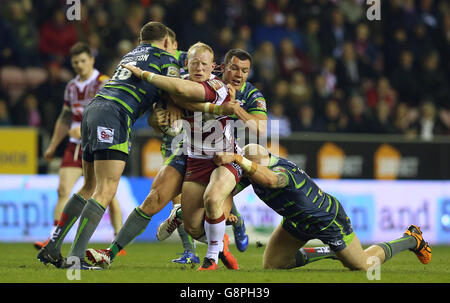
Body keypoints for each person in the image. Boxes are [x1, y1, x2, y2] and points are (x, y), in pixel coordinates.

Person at [37, 21, 182, 270]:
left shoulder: (130, 55)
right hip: (116, 114)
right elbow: (175, 95)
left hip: (94, 109)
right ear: (167, 42)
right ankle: (76, 257)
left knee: (89, 185)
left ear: (140, 41)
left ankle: (53, 246)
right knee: (107, 187)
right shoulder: (167, 61)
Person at [86, 43, 243, 271]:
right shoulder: (175, 84)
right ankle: (109, 254)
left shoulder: (216, 87)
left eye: (204, 64)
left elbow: (187, 98)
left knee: (197, 225)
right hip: (189, 153)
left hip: (219, 158)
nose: (199, 68)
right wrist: (160, 116)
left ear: (213, 67)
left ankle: (215, 244)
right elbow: (157, 120)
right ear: (186, 64)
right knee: (154, 199)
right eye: (194, 63)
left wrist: (150, 78)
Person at [213, 144, 432, 271]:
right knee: (273, 264)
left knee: (363, 265)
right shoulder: (254, 173)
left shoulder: (282, 173)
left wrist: (238, 159)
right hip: (297, 221)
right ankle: (328, 251)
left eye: (247, 167)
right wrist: (228, 211)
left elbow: (271, 181)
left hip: (327, 220)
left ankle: (412, 238)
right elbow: (229, 191)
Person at [156, 49, 268, 252]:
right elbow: (177, 87)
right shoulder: (207, 82)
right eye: (234, 68)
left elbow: (260, 128)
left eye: (244, 70)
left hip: (229, 154)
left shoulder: (251, 93)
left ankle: (224, 215)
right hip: (194, 151)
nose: (239, 74)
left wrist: (235, 108)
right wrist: (170, 103)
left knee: (259, 156)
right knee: (193, 223)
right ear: (222, 67)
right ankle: (197, 217)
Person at [34, 42, 124, 254]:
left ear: (91, 60)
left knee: (107, 194)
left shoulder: (103, 83)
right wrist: (53, 145)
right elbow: (65, 118)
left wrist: (85, 128)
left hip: (98, 144)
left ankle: (117, 238)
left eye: (83, 61)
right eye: (75, 62)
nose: (79, 65)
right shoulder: (71, 87)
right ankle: (54, 238)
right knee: (63, 189)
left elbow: (108, 113)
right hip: (75, 147)